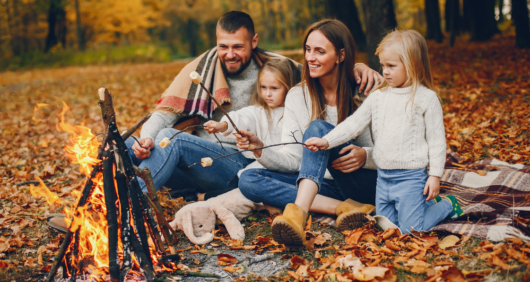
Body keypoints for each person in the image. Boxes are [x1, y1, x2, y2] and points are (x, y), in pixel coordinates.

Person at [127, 12, 382, 199]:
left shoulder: (276, 68)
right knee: (129, 144)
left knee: (173, 139)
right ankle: (116, 207)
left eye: (238, 46)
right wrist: (145, 140)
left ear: (254, 41)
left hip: (240, 160)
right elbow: (163, 115)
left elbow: (320, 71)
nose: (230, 54)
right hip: (200, 163)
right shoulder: (200, 69)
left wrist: (356, 69)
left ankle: (132, 208)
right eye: (223, 46)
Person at [305, 30, 464, 235]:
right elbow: (353, 124)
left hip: (411, 178)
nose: (385, 72)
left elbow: (437, 142)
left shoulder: (426, 98)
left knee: (411, 230)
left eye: (391, 66)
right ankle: (421, 208)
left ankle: (448, 205)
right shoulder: (379, 96)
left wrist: (434, 176)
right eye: (382, 65)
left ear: (412, 65)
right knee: (385, 227)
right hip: (384, 178)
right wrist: (326, 141)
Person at [237, 19, 379, 248]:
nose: (310, 58)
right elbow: (294, 159)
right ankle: (343, 208)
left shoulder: (366, 89)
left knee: (317, 128)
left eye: (320, 51)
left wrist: (366, 155)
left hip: (361, 181)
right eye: (308, 49)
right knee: (249, 179)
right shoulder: (297, 96)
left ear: (341, 56)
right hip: (321, 186)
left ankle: (299, 214)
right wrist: (260, 149)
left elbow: (395, 150)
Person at [203, 58, 300, 183]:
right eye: (263, 87)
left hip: (290, 171)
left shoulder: (298, 114)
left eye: (274, 88)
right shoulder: (259, 112)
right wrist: (223, 125)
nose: (267, 94)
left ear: (289, 87)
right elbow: (242, 117)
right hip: (261, 167)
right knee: (246, 178)